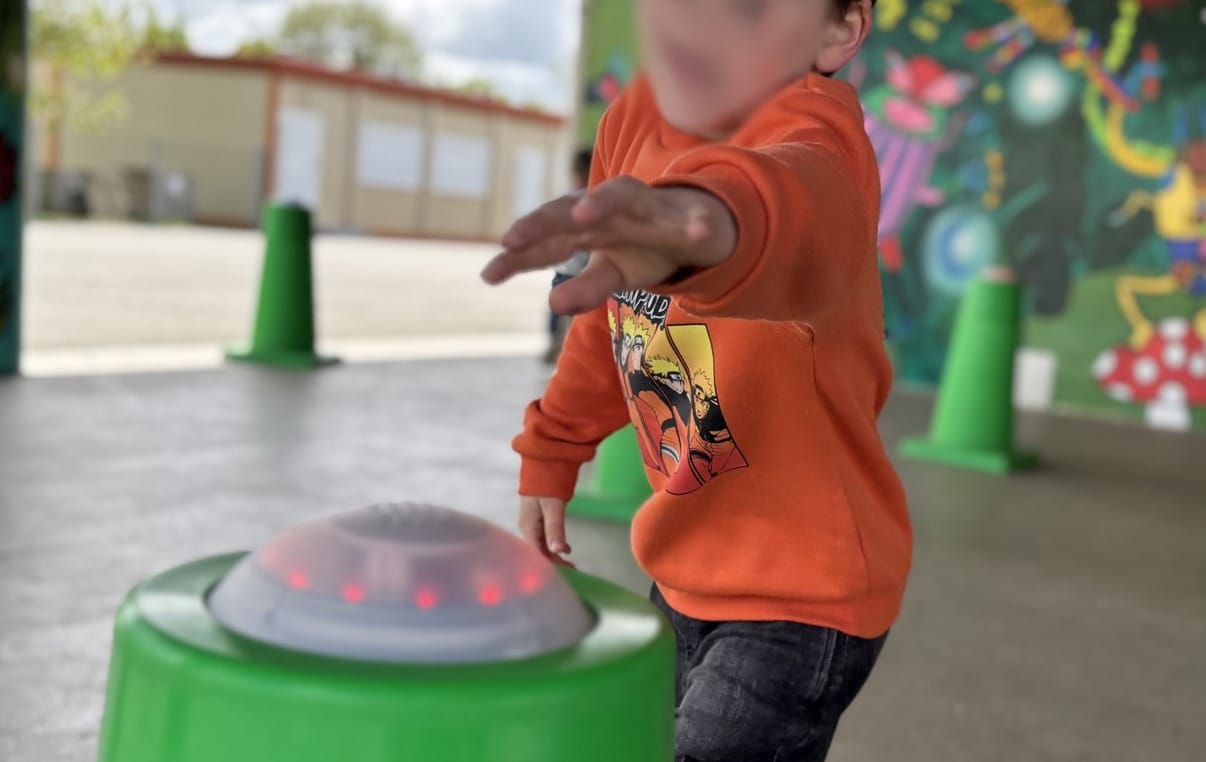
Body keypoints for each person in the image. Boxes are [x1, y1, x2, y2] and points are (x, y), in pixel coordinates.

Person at [481, 1, 906, 760]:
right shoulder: (631, 120)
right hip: (684, 567)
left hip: (804, 593)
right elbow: (610, 316)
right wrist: (552, 444)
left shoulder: (818, 138)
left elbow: (786, 203)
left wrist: (700, 225)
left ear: (838, 31)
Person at [544, 149, 595, 364]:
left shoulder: (569, 201)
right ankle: (566, 356)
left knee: (560, 322)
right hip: (583, 276)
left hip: (566, 274)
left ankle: (558, 352)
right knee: (576, 329)